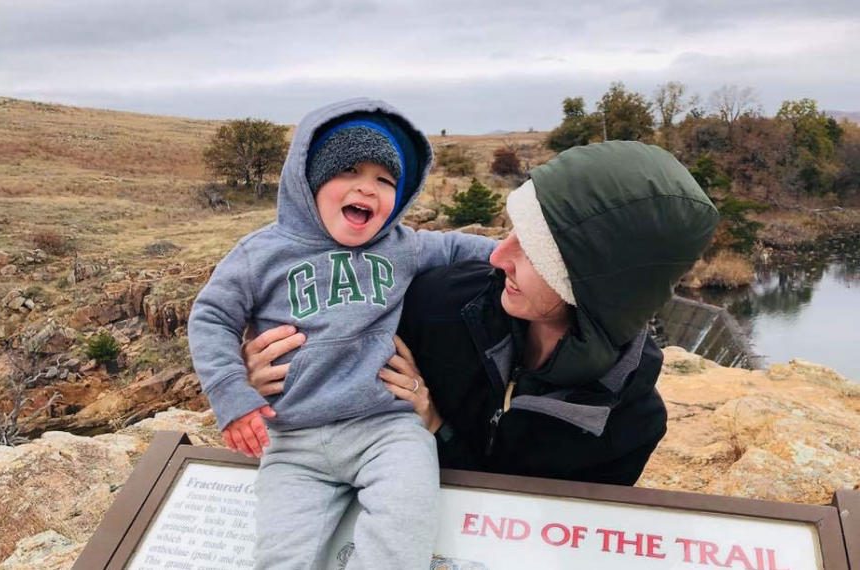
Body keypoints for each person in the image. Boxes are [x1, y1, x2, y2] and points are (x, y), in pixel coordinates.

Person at [243, 140, 719, 486]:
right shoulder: (439, 303)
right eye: (510, 231)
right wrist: (269, 360)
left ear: (599, 281)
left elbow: (539, 531)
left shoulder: (628, 423)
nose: (497, 256)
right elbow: (337, 322)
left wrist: (435, 426)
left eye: (531, 249)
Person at [187, 97, 495, 570]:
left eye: (385, 180)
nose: (366, 189)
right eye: (347, 171)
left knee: (400, 534)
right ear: (307, 180)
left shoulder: (402, 246)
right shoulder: (260, 252)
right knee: (282, 555)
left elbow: (459, 246)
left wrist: (520, 253)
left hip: (386, 429)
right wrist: (232, 395)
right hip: (292, 442)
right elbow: (211, 317)